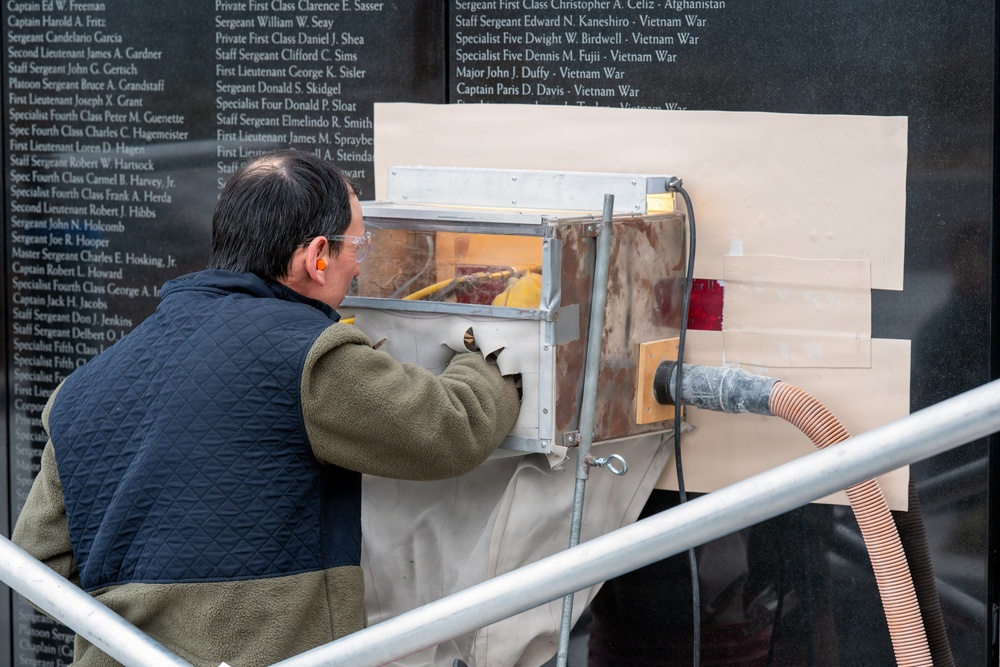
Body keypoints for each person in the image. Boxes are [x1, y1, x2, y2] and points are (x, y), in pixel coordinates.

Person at [12, 149, 522, 666]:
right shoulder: (310, 358)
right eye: (359, 246)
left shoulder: (81, 389)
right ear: (317, 256)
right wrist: (493, 351)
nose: (359, 265)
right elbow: (453, 428)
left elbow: (39, 560)